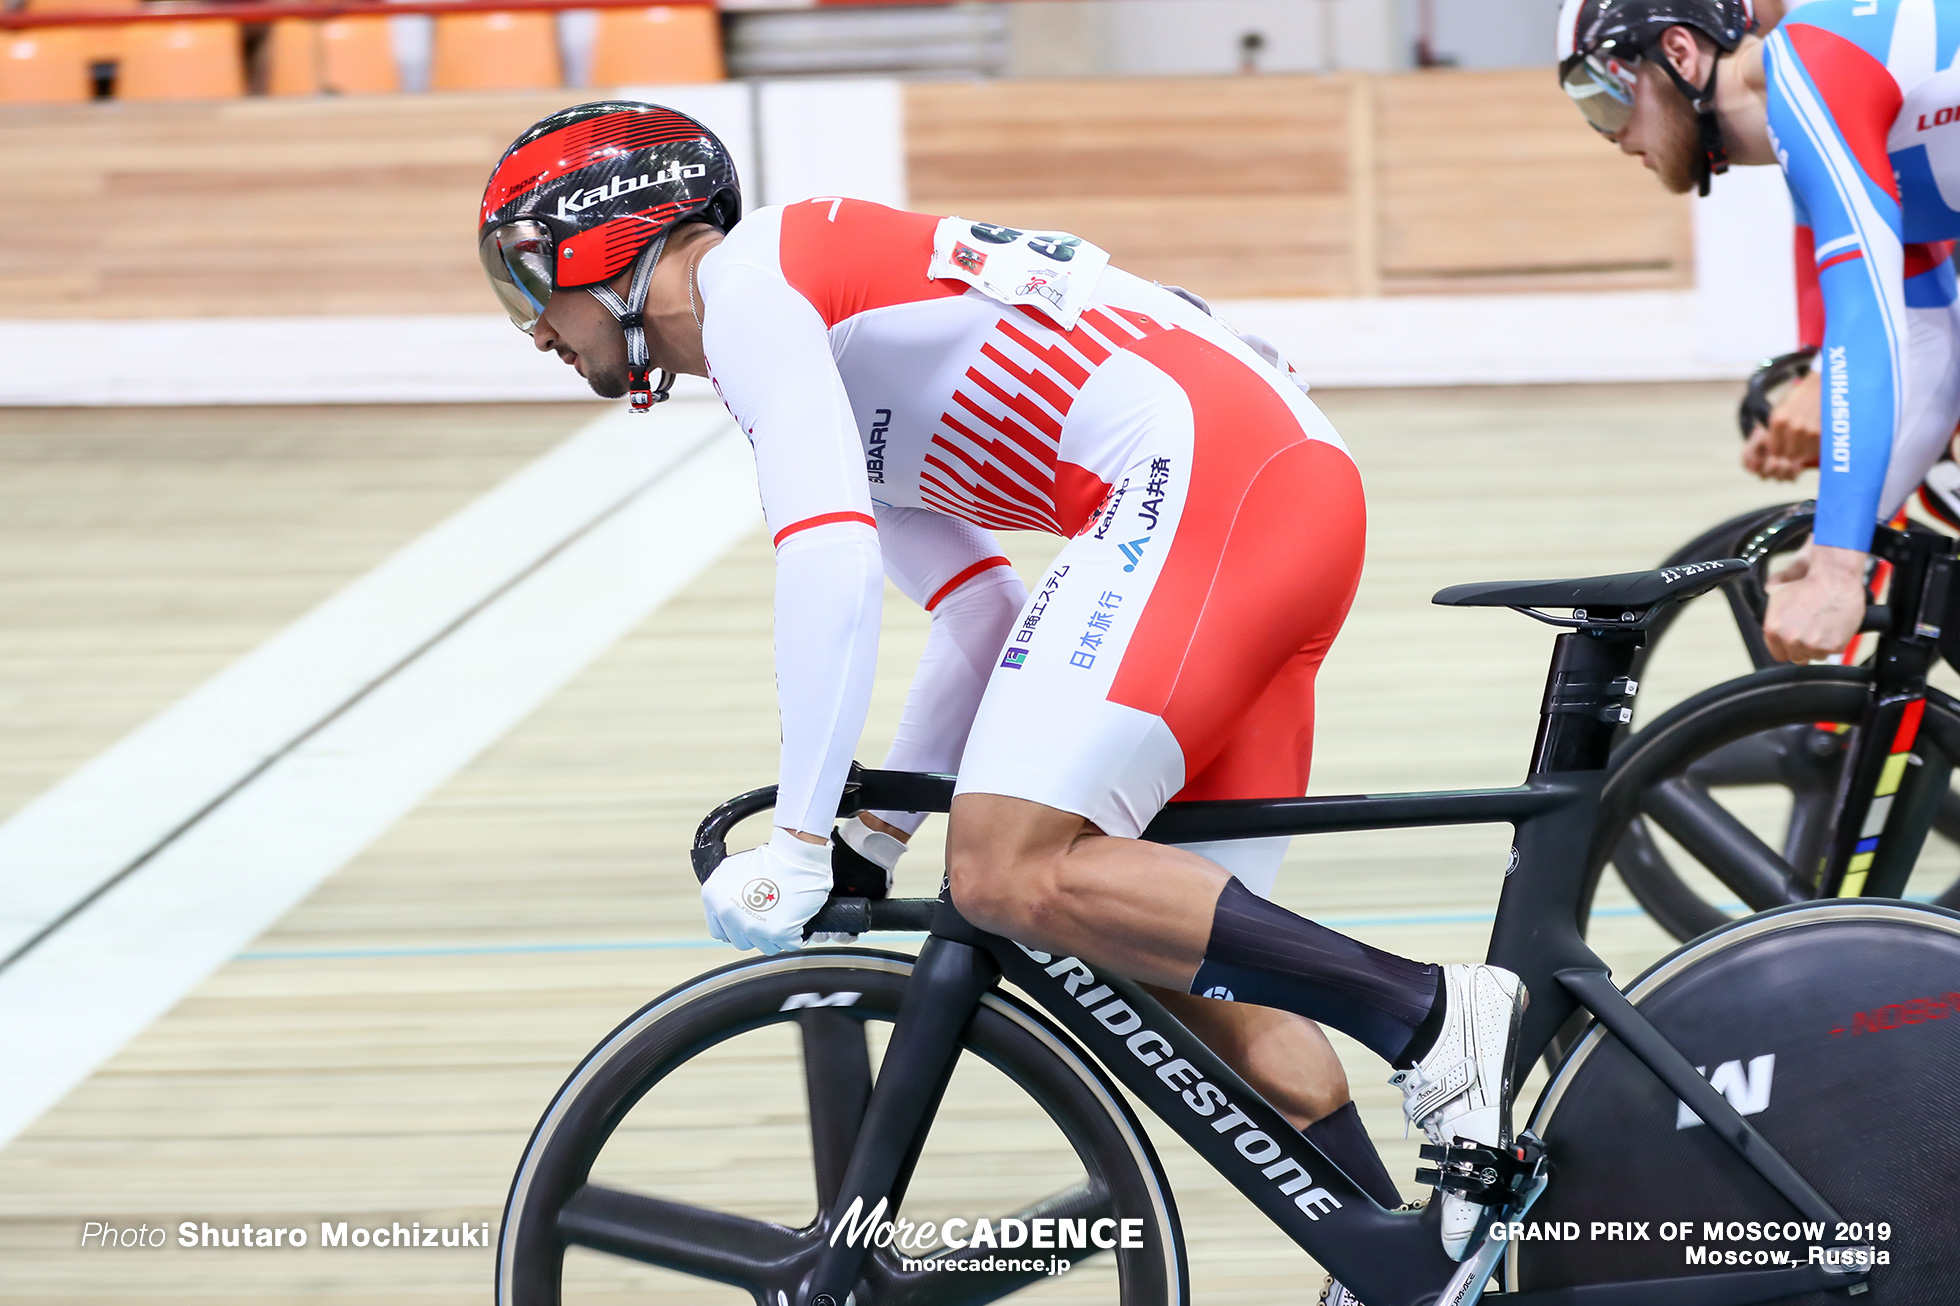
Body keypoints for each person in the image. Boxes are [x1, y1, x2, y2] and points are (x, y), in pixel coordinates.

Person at [478, 101, 1528, 1263]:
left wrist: (795, 838)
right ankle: (1402, 1266)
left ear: (604, 247)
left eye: (527, 290)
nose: (532, 332)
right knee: (1201, 982)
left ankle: (1433, 1016)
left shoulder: (752, 290)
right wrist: (861, 842)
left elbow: (824, 560)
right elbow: (978, 616)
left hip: (1213, 479)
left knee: (1001, 866)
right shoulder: (802, 340)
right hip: (1264, 485)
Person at [1557, 0, 1960, 664]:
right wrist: (1843, 540)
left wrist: (1838, 564)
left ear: (1679, 53)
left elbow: (1870, 329)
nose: (1611, 136)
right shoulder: (1800, 131)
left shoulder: (1807, 76)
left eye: (1604, 96)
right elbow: (1931, 349)